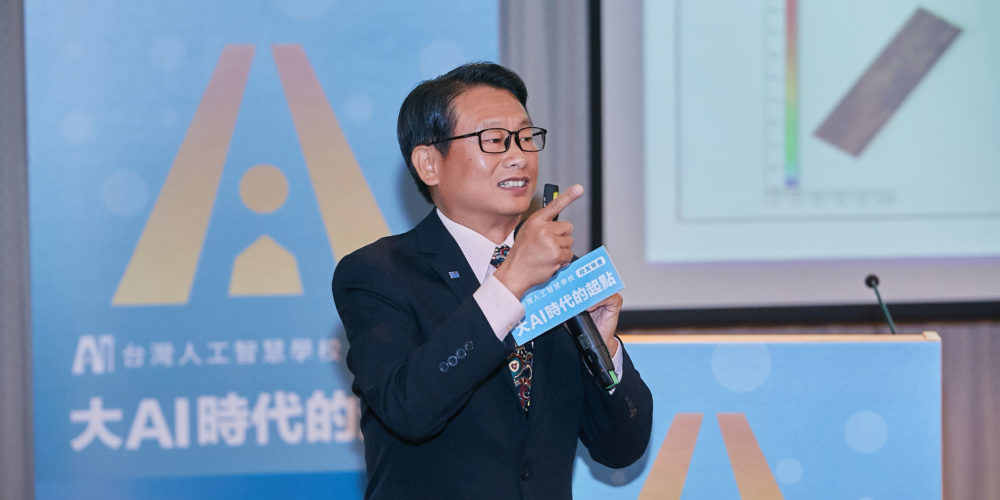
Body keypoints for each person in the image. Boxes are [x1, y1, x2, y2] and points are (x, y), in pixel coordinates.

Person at [332, 62, 652, 499]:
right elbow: (409, 408)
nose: (519, 156)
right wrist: (511, 283)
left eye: (526, 137)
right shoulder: (378, 273)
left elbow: (621, 448)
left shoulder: (561, 274)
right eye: (495, 140)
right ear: (429, 163)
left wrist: (604, 347)